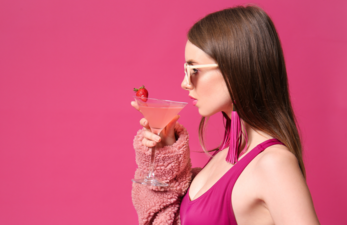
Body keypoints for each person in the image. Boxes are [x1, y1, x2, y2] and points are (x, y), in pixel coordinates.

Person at [130, 5, 320, 225]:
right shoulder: (225, 155)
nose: (184, 83)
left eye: (195, 70)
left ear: (235, 69)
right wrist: (166, 150)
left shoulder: (274, 164)